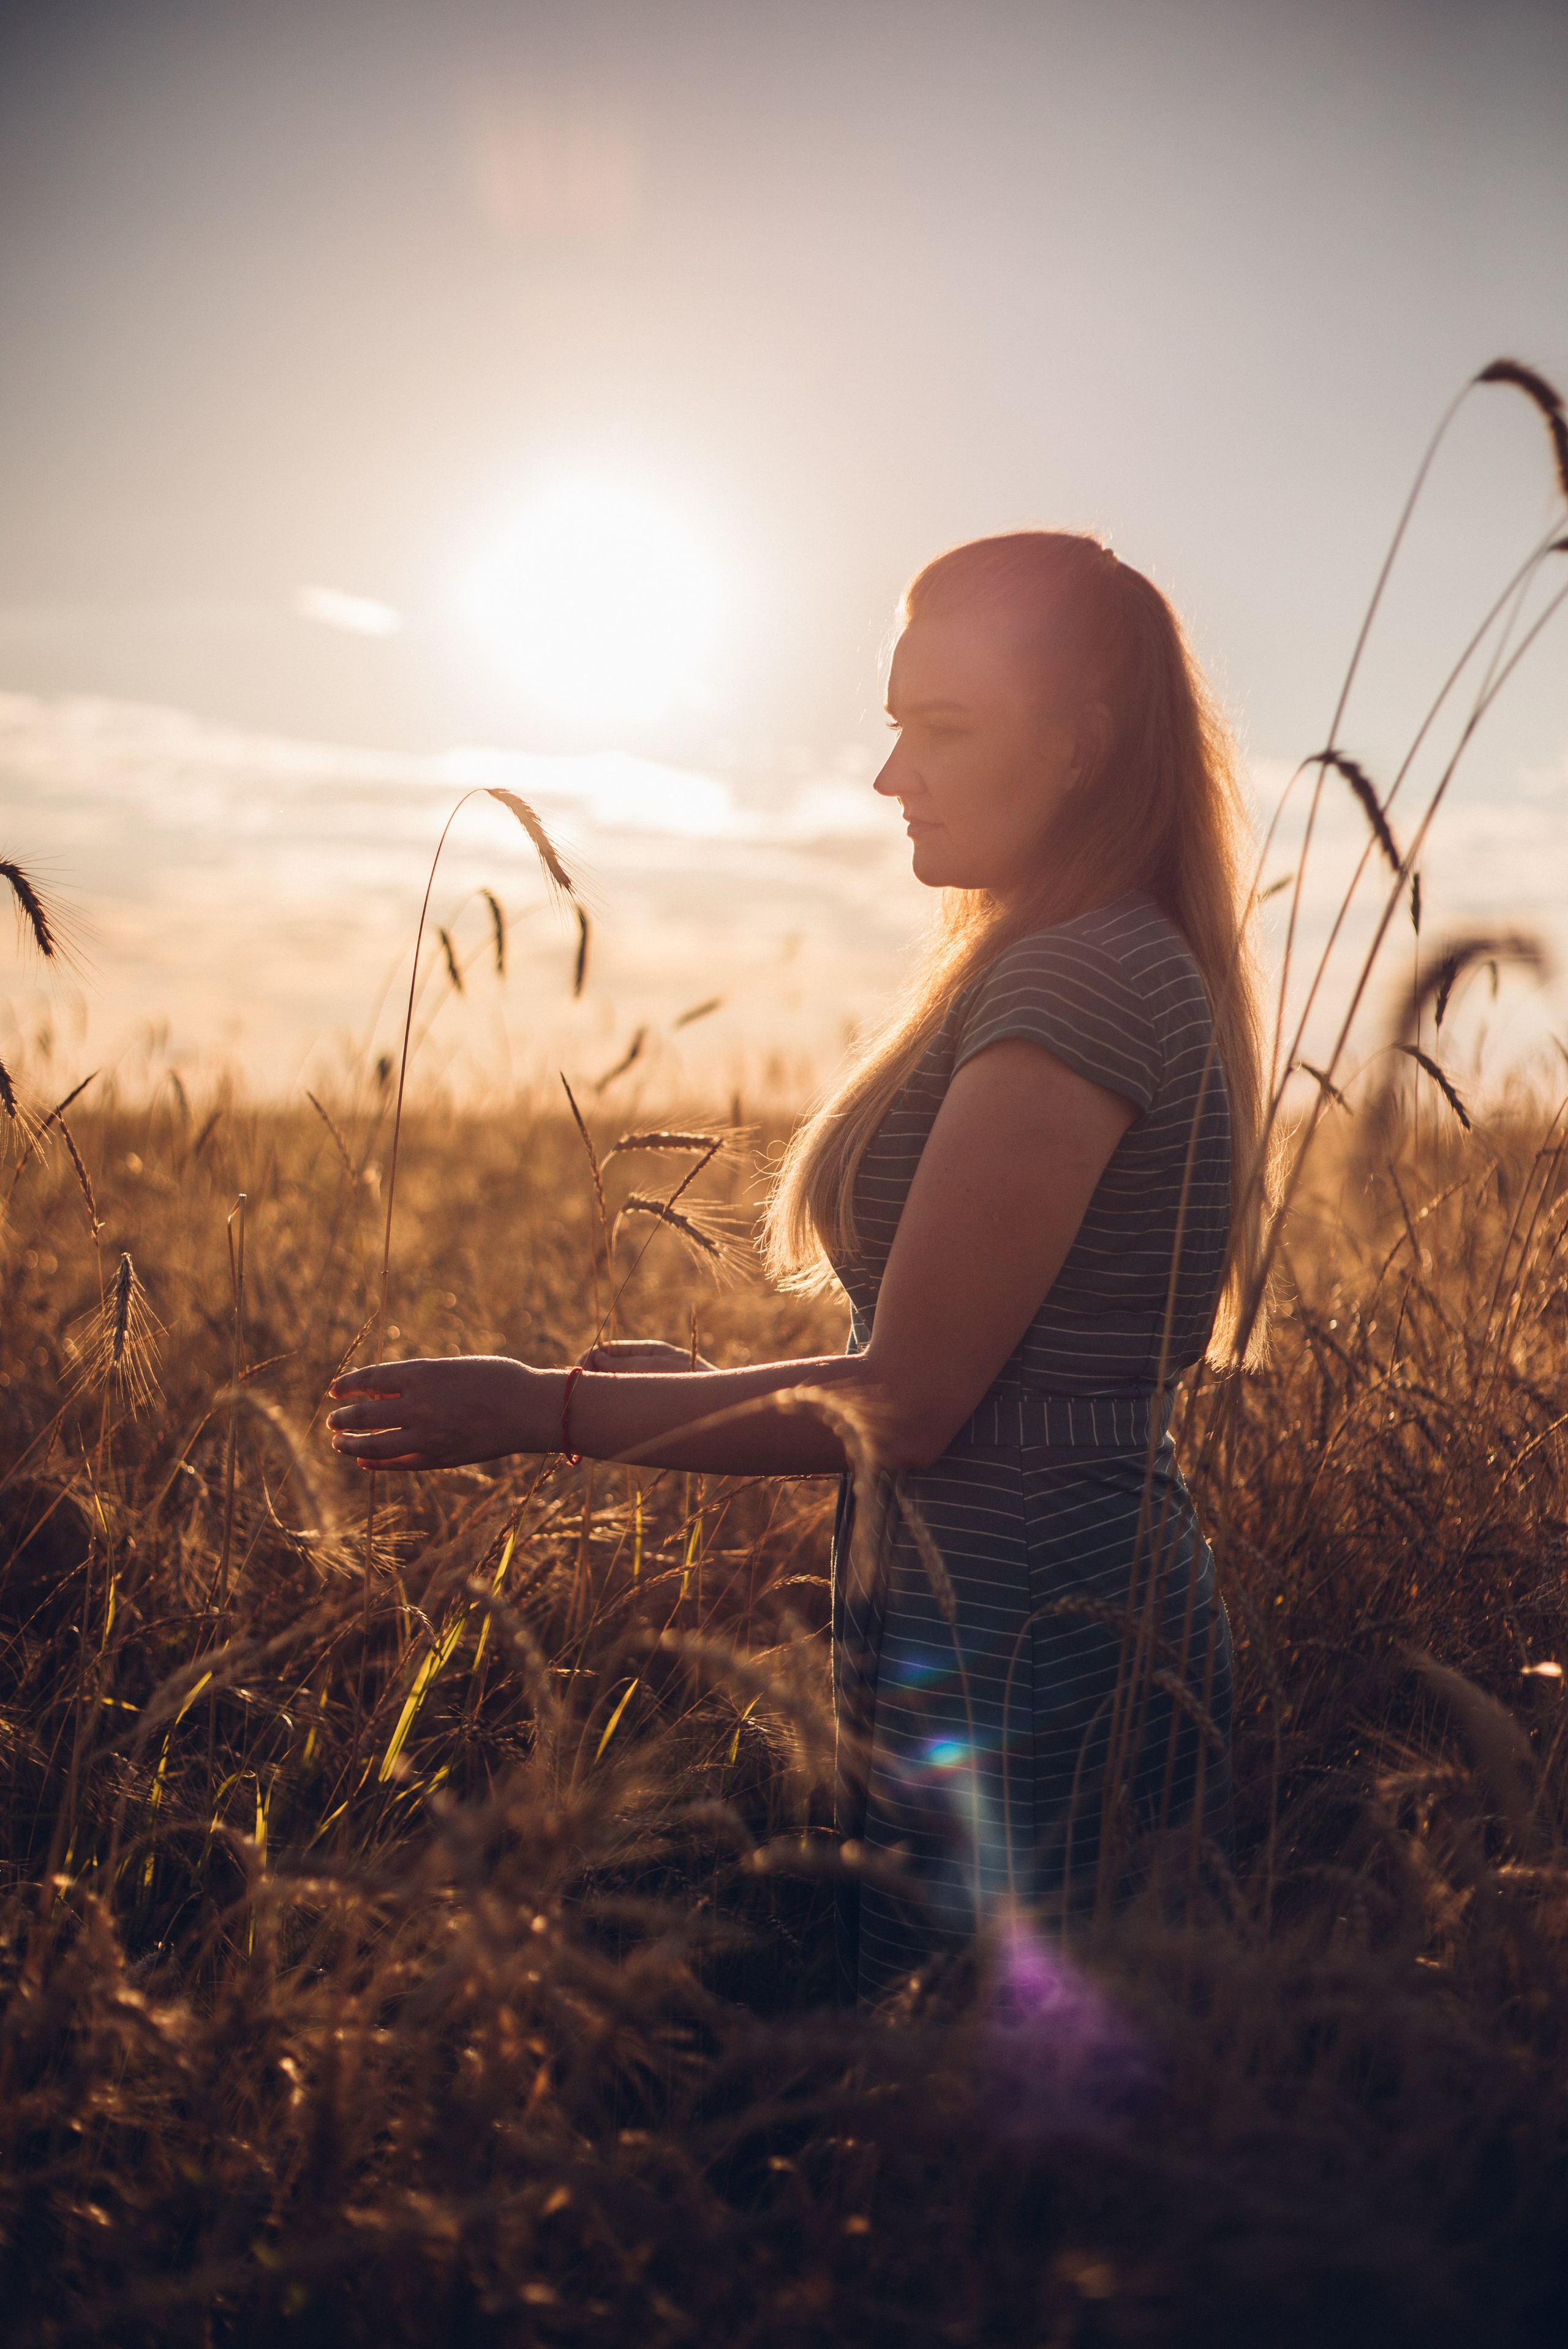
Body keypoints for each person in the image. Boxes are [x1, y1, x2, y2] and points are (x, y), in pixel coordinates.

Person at [328, 530, 1265, 2004]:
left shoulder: (1078, 974)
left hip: (1037, 1644)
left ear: (1082, 749)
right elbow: (959, 1362)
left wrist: (542, 1410)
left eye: (942, 729)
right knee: (948, 2087)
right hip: (1002, 1612)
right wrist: (688, 1393)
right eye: (893, 724)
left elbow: (906, 1404)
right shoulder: (1076, 956)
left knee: (976, 2116)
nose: (894, 774)